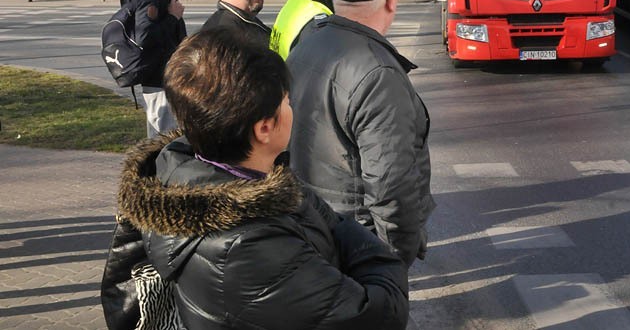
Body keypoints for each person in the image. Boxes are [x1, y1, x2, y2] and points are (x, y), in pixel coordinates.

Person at [112, 28, 409, 329]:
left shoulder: (188, 168)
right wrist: (385, 261)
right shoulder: (248, 245)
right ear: (264, 128)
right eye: (286, 101)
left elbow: (330, 224)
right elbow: (376, 315)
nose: (292, 107)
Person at [287, 0, 435, 267]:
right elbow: (390, 186)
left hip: (312, 225)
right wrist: (393, 261)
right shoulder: (378, 73)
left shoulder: (307, 43)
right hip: (358, 243)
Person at [128, 0, 187, 138]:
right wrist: (172, 17)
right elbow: (144, 37)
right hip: (158, 78)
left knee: (166, 139)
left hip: (165, 77)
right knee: (163, 142)